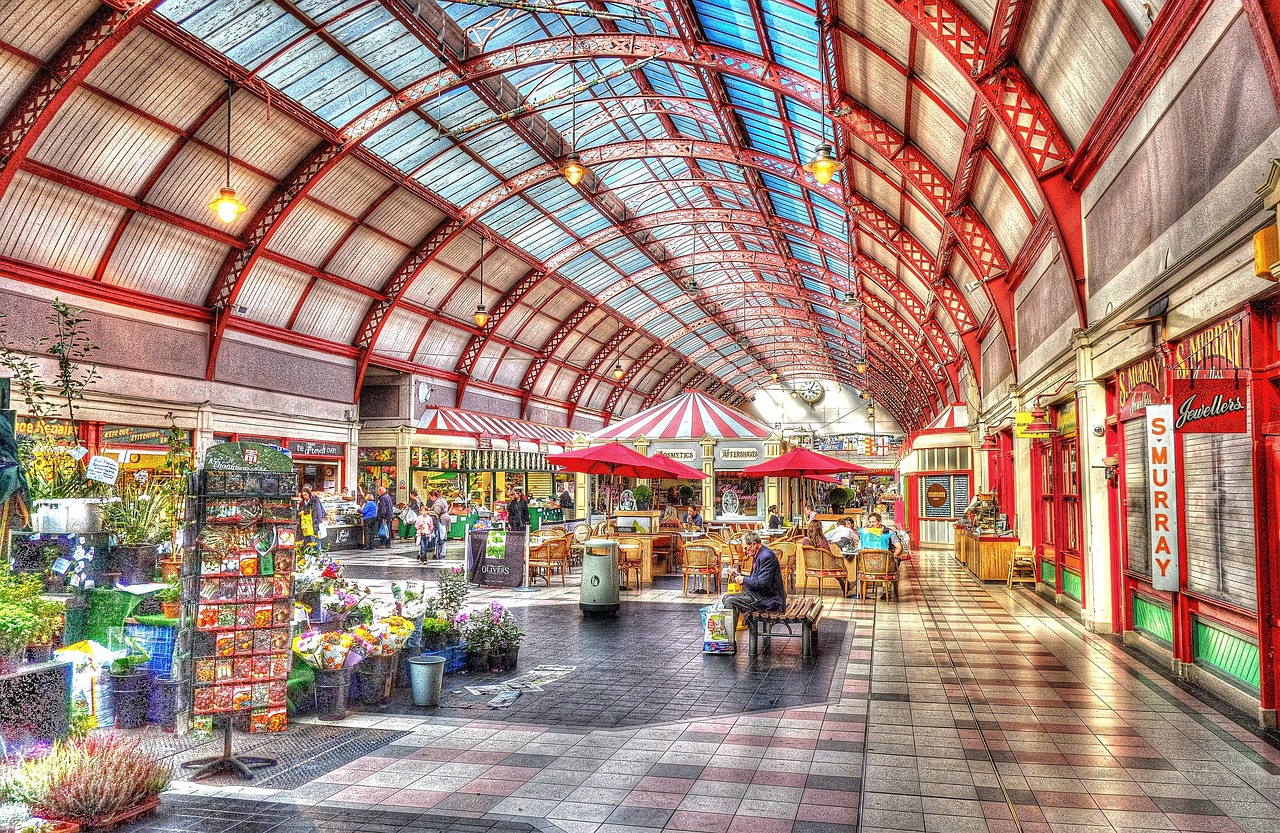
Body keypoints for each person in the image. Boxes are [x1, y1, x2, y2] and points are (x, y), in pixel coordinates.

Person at [723, 531, 786, 632]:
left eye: (746, 548)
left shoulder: (766, 557)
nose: (745, 551)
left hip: (771, 600)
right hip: (762, 596)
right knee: (726, 597)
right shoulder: (761, 554)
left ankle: (728, 639)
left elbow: (763, 583)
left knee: (730, 601)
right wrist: (739, 575)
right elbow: (757, 579)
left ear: (754, 545)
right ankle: (727, 635)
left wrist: (743, 579)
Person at [299, 485, 327, 551]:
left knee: (314, 539)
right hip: (306, 525)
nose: (305, 496)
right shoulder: (302, 503)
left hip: (314, 523)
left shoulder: (314, 501)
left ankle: (317, 553)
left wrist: (304, 511)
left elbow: (317, 511)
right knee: (308, 541)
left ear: (309, 494)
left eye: (306, 495)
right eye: (303, 495)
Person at [430, 489, 451, 559]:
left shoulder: (438, 502)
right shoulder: (443, 499)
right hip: (446, 518)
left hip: (442, 520)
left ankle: (441, 552)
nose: (431, 499)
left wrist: (428, 512)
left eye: (430, 497)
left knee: (441, 536)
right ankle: (442, 552)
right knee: (443, 536)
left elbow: (437, 512)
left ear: (433, 496)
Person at [376, 485, 395, 549]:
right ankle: (388, 543)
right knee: (388, 530)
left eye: (378, 491)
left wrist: (383, 517)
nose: (377, 493)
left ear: (380, 491)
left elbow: (383, 508)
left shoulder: (382, 498)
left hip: (385, 517)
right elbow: (390, 506)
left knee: (384, 529)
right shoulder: (388, 496)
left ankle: (383, 543)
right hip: (389, 516)